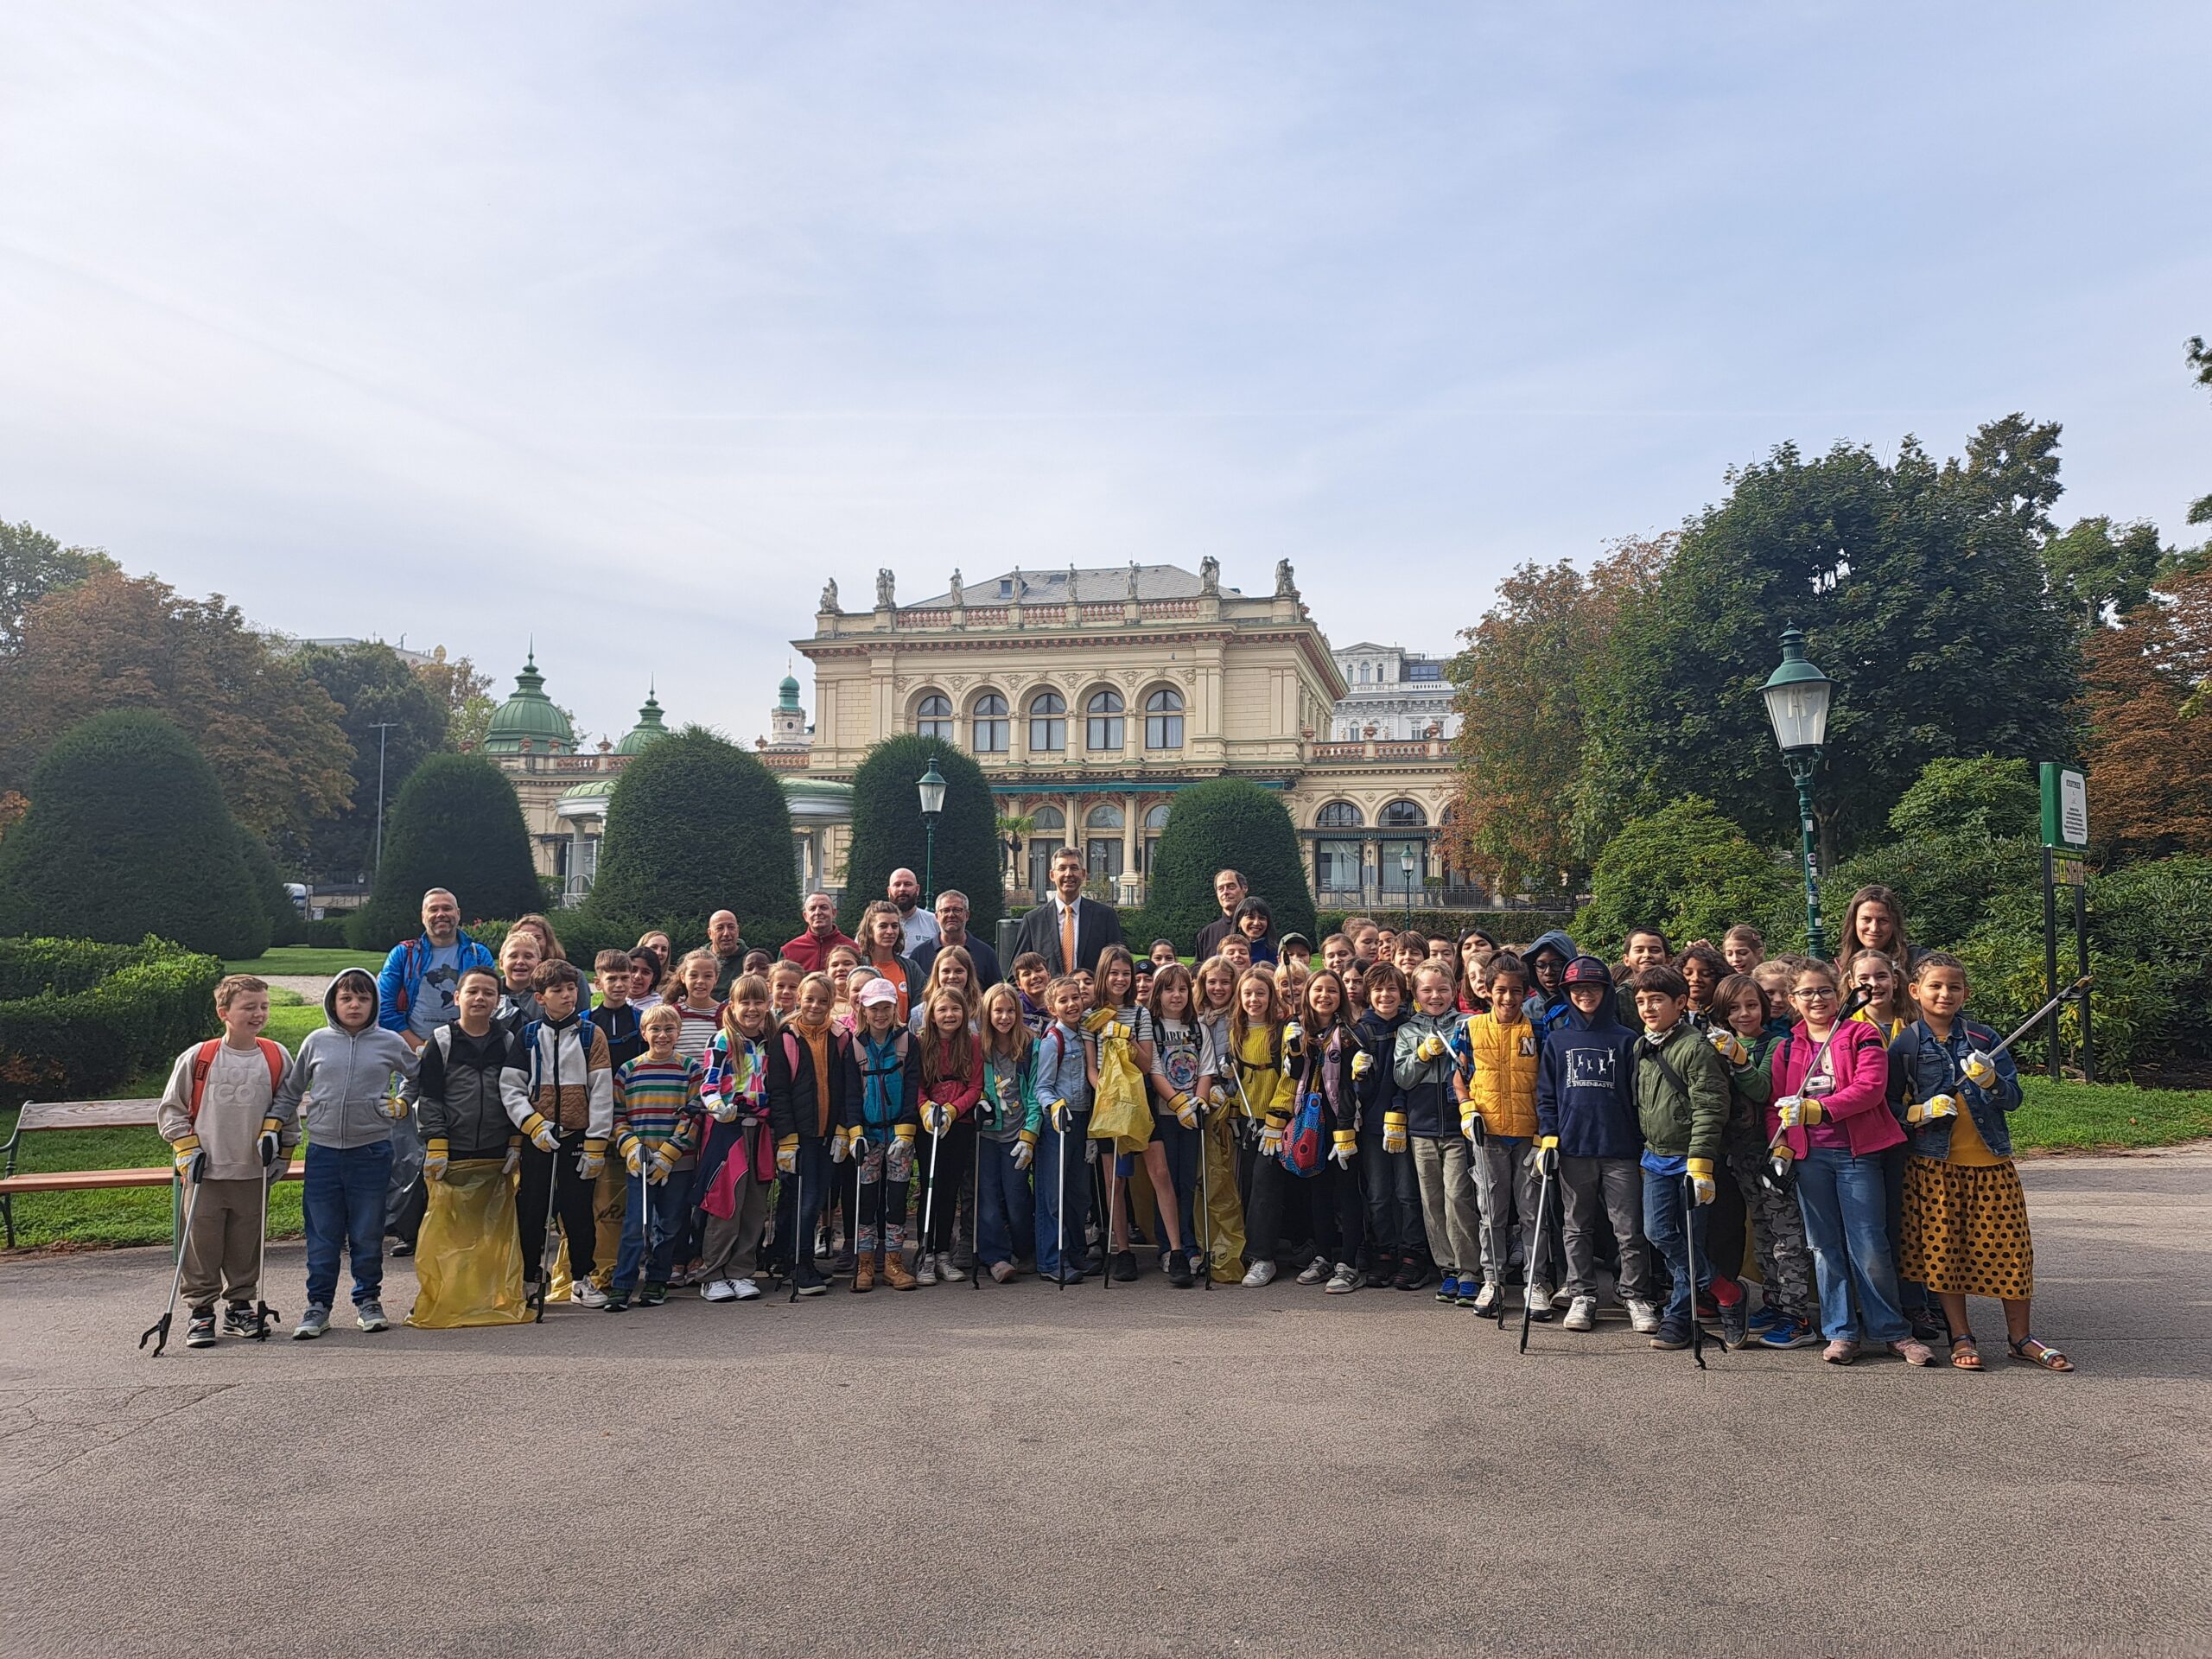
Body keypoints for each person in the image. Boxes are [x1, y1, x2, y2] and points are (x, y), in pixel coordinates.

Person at [1890, 953, 2070, 1372]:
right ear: (1916, 992)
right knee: (1945, 1253)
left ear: (1965, 993)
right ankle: (1961, 1335)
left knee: (2012, 1251)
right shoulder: (1905, 1045)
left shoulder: (1985, 1038)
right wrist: (1919, 1112)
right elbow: (1889, 1108)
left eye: (1954, 986)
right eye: (1935, 986)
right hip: (1934, 1166)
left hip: (1991, 1161)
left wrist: (1990, 1080)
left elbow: (2014, 1098)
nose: (1944, 993)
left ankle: (2020, 1337)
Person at [1769, 958, 1933, 1367]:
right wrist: (1782, 1145)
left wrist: (1818, 1111)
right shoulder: (1787, 1046)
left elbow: (1870, 1090)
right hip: (1811, 1158)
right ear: (1793, 1000)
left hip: (1857, 1154)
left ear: (1839, 993)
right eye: (1806, 993)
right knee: (1824, 1248)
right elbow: (1775, 1107)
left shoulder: (1862, 1034)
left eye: (1824, 990)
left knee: (1870, 1244)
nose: (1817, 999)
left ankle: (1893, 1331)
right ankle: (1840, 1332)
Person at [276, 969, 416, 1339]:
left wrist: (403, 1102)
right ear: (333, 1003)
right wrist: (273, 1123)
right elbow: (291, 1090)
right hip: (323, 1152)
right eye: (346, 998)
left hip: (371, 1151)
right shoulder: (316, 1041)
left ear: (374, 1004)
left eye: (363, 998)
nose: (355, 1005)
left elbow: (418, 1075)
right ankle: (317, 1305)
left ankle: (368, 1299)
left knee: (367, 1232)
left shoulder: (388, 1041)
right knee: (323, 1232)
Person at [157, 974, 294, 1348]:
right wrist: (187, 1150)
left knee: (246, 1241)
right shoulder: (200, 1057)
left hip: (253, 1169)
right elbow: (172, 1110)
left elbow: (288, 1107)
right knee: (202, 1242)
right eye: (248, 1007)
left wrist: (285, 1151)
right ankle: (201, 1310)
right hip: (207, 1171)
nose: (258, 1014)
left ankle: (240, 1306)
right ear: (224, 1012)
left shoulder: (276, 1055)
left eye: (263, 1006)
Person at [1536, 956, 1660, 1333]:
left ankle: (1635, 1295)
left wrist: (1642, 1142)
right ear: (1567, 993)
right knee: (1576, 1227)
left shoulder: (1627, 1040)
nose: (1585, 995)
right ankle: (1581, 1295)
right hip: (1574, 1148)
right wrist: (1549, 1135)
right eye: (1576, 989)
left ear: (1606, 991)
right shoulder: (1557, 1039)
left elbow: (1639, 1096)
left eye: (1592, 988)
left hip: (1620, 1148)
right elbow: (1546, 1094)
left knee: (1629, 1229)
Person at [375, 888, 496, 1254]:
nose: (441, 915)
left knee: (458, 1140)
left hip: (466, 1057)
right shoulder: (405, 954)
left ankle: (459, 1223)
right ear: (423, 915)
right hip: (418, 1055)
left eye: (447, 909)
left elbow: (489, 997)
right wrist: (419, 1047)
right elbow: (385, 1006)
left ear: (459, 914)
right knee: (411, 1146)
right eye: (434, 909)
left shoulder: (477, 953)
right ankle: (410, 1227)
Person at [1629, 963, 1736, 1351]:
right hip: (1656, 1157)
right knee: (1658, 1232)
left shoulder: (1695, 1047)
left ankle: (1678, 1317)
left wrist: (1702, 1163)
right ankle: (1721, 1287)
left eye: (1656, 1000)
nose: (1647, 1008)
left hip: (1691, 1160)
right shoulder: (1644, 1044)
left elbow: (1710, 1107)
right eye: (1641, 1001)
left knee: (1692, 1238)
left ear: (1680, 1002)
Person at [1707, 973, 1817, 1348]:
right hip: (1736, 1155)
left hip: (1771, 1152)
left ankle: (1797, 1314)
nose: (1743, 1014)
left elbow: (1763, 1088)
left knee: (1787, 1234)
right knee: (1764, 1233)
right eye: (1734, 1008)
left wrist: (1738, 1059)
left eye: (1751, 1005)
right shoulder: (1714, 1042)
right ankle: (1774, 1301)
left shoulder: (1777, 1044)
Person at [412, 966, 528, 1311]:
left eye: (489, 993)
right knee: (451, 1228)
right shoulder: (442, 1041)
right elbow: (430, 1096)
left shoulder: (508, 1041)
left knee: (492, 1228)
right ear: (457, 997)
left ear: (498, 1000)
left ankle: (488, 1295)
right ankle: (451, 1294)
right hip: (452, 1149)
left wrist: (515, 1141)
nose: (480, 998)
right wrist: (436, 1143)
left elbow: (517, 1094)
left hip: (495, 1149)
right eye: (473, 991)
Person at [506, 960, 613, 1310]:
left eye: (571, 988)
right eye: (558, 990)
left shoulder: (590, 1034)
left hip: (577, 1137)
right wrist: (533, 1124)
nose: (567, 995)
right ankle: (529, 1279)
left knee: (578, 1210)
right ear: (540, 997)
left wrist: (596, 1143)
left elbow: (600, 1090)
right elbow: (511, 1088)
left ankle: (581, 1278)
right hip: (540, 1138)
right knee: (532, 1209)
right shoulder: (526, 1036)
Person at [1252, 969, 1363, 1294]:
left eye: (1332, 990)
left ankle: (1350, 1263)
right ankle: (1324, 1256)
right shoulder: (1298, 1030)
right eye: (1318, 990)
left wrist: (1346, 1128)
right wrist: (1295, 1048)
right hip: (1309, 1120)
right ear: (1308, 995)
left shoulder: (1349, 1033)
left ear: (1340, 996)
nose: (1324, 996)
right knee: (1318, 1191)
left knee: (1346, 1191)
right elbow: (1296, 1072)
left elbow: (1352, 1085)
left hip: (1342, 1122)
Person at [1457, 954, 1548, 1320]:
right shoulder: (1470, 1029)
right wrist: (1466, 1107)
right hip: (1488, 1133)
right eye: (1500, 991)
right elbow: (1458, 1074)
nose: (1508, 999)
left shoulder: (1539, 1030)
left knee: (1532, 1212)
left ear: (1525, 992)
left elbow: (1548, 1083)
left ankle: (1535, 1280)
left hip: (1529, 1136)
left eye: (1515, 991)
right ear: (1487, 991)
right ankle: (1492, 1280)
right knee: (1491, 1211)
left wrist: (1546, 1132)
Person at [606, 1004, 702, 1311]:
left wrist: (669, 1154)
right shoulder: (628, 1070)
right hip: (640, 1161)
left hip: (678, 1162)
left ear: (678, 1033)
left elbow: (693, 1117)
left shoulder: (690, 1069)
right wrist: (632, 1147)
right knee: (637, 1225)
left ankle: (658, 1280)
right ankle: (623, 1284)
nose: (662, 1035)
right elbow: (618, 1117)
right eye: (655, 1030)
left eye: (669, 1029)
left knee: (670, 1225)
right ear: (644, 1033)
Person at [1395, 962, 1478, 1306]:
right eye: (1427, 990)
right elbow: (1402, 1077)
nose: (1435, 996)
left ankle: (1469, 1270)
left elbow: (1476, 1068)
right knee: (1431, 1201)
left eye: (1442, 989)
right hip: (1422, 1126)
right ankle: (1447, 1268)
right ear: (1415, 995)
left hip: (1457, 1126)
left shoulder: (1466, 1024)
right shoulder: (1407, 1031)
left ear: (1454, 991)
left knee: (1458, 1197)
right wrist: (1422, 1054)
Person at [693, 975, 778, 1302]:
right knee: (726, 1201)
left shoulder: (772, 1040)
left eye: (759, 1002)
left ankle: (741, 1270)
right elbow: (709, 1083)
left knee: (755, 1204)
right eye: (746, 1002)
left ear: (768, 1005)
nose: (753, 1009)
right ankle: (713, 1273)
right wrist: (715, 1105)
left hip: (762, 1127)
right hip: (729, 1127)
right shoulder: (723, 1040)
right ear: (733, 1005)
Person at [766, 970, 843, 1296]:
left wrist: (842, 1127)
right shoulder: (785, 1038)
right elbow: (779, 1092)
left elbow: (844, 1086)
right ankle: (799, 1264)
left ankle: (799, 1259)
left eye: (823, 1001)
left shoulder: (840, 1037)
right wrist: (786, 1137)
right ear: (799, 998)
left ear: (831, 1004)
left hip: (827, 1133)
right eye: (809, 998)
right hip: (799, 1135)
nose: (815, 1005)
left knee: (816, 1199)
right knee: (805, 1200)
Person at [1086, 945, 1160, 1282]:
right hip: (1107, 1101)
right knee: (1113, 1178)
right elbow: (1091, 1066)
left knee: (1154, 1172)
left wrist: (1127, 1040)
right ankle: (1122, 1249)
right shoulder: (1092, 1015)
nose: (1120, 979)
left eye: (1125, 974)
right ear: (1104, 975)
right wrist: (1104, 1090)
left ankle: (1169, 1245)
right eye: (1114, 973)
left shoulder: (1140, 1013)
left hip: (1138, 1099)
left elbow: (1145, 1064)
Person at [844, 977, 920, 1291]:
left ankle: (893, 1260)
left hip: (898, 1137)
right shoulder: (854, 1044)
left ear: (894, 1008)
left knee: (897, 1199)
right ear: (864, 1008)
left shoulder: (907, 1042)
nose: (880, 1014)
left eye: (886, 1007)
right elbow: (849, 1093)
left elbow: (913, 1087)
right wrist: (854, 1132)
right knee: (866, 1200)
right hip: (868, 1137)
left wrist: (906, 1132)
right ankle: (864, 1263)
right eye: (874, 1008)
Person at [1352, 962, 1421, 1289]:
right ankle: (1383, 1251)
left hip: (1407, 1121)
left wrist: (1400, 1107)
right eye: (1378, 989)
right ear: (1368, 994)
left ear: (1402, 992)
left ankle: (1412, 1253)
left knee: (1407, 1193)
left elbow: (1410, 1080)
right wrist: (1360, 1076)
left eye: (1392, 989)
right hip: (1371, 1125)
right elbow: (1358, 1091)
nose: (1385, 995)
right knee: (1378, 1194)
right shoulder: (1360, 1030)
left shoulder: (1411, 1026)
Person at [913, 987, 983, 1285]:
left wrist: (954, 1110)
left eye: (955, 1009)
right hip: (929, 1124)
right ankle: (925, 1253)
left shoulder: (973, 1043)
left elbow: (975, 1086)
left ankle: (944, 1252)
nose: (949, 1015)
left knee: (950, 1188)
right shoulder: (920, 1044)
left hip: (959, 1123)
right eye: (942, 1010)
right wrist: (926, 1107)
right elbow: (915, 1086)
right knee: (931, 1189)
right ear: (932, 1014)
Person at [974, 984, 1042, 1282]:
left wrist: (1030, 1133)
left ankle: (1025, 1250)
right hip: (988, 1135)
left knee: (1016, 1197)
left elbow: (1037, 1093)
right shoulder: (978, 1046)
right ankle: (996, 1257)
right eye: (997, 1011)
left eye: (1010, 1010)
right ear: (987, 1013)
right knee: (987, 1197)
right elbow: (972, 1083)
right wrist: (977, 1102)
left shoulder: (1030, 1046)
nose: (1004, 1017)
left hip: (1018, 1134)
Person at [1144, 963, 1207, 1288]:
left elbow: (1206, 1068)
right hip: (1165, 1114)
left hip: (1192, 1116)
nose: (1177, 995)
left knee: (1188, 1182)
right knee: (1165, 1181)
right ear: (1158, 992)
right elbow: (1154, 1071)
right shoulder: (1152, 1028)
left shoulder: (1198, 1028)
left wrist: (1197, 1101)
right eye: (1169, 989)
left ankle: (1189, 1242)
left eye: (1183, 989)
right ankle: (1169, 1246)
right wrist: (1177, 1102)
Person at [1224, 967, 1289, 1284]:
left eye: (1260, 993)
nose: (1254, 999)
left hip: (1274, 1119)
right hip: (1246, 1120)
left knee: (1265, 1187)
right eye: (1248, 993)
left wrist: (1277, 1119)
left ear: (1271, 996)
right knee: (1248, 1186)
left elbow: (1289, 1079)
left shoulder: (1282, 1032)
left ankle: (1264, 1257)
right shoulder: (1236, 1031)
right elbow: (1238, 1082)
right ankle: (1249, 1249)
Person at [1032, 975, 1095, 1285]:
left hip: (1083, 1120)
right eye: (1064, 1000)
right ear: (1052, 1007)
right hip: (1059, 1123)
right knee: (1053, 1194)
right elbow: (1041, 1088)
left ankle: (1076, 1254)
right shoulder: (1052, 1040)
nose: (1072, 1004)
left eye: (1076, 998)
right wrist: (1055, 1106)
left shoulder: (1085, 1033)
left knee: (1078, 1193)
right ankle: (1051, 1259)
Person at [1014, 845, 1124, 976]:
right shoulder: (1033, 921)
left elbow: (1119, 966)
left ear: (1083, 874)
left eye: (1074, 868)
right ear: (1052, 875)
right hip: (1049, 996)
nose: (1068, 874)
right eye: (1062, 868)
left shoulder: (1105, 917)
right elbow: (1016, 974)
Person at [912, 888, 1003, 990]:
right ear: (937, 916)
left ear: (967, 915)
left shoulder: (986, 953)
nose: (951, 915)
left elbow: (996, 994)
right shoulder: (920, 954)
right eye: (945, 910)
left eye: (957, 910)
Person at [1837, 884, 1918, 974]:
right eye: (1866, 919)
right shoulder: (1840, 968)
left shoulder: (1917, 960)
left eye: (1883, 920)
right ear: (1853, 922)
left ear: (1894, 923)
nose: (1874, 928)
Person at [667, 949, 724, 1062]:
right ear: (683, 978)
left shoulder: (726, 1013)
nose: (700, 981)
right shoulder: (671, 1013)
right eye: (693, 975)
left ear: (716, 979)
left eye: (707, 976)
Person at [781, 892, 859, 972]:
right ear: (805, 916)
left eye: (824, 907)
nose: (818, 912)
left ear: (834, 913)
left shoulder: (853, 948)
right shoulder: (789, 950)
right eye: (812, 909)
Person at [1192, 868, 1250, 960]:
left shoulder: (1256, 929)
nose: (1225, 892)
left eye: (1231, 886)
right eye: (1221, 889)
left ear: (1244, 888)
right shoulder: (1207, 934)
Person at [887, 868, 941, 957]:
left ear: (917, 890)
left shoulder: (934, 922)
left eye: (908, 884)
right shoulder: (875, 923)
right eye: (897, 884)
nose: (902, 889)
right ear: (889, 891)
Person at [707, 910, 748, 998]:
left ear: (737, 931)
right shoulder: (696, 962)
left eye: (731, 927)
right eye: (720, 928)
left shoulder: (750, 961)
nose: (726, 933)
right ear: (710, 933)